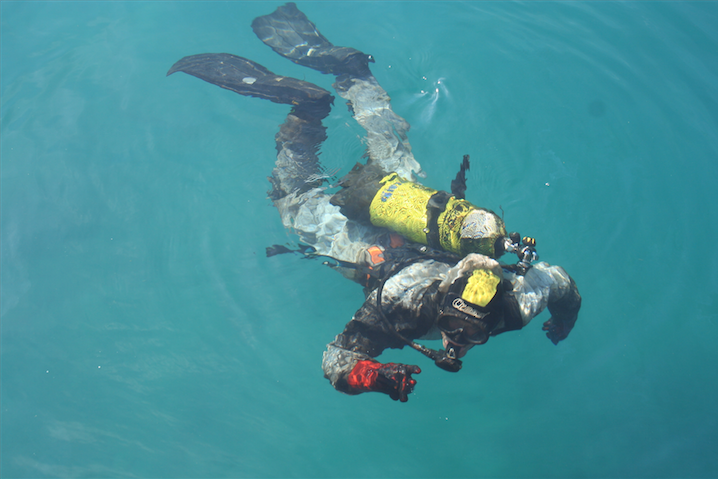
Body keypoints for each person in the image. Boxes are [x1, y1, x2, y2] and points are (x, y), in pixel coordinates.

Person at [168, 3, 581, 402]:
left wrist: (564, 316)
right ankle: (307, 111)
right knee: (292, 198)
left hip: (409, 212)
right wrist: (371, 377)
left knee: (388, 141)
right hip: (368, 248)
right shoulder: (405, 306)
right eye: (453, 325)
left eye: (474, 334)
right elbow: (336, 358)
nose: (456, 342)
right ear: (441, 299)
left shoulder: (515, 304)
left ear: (491, 321)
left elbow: (560, 283)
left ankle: (352, 71)